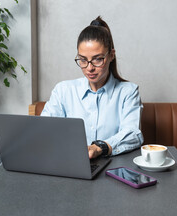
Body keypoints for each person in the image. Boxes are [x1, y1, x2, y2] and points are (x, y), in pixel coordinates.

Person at [41, 16, 143, 159]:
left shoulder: (128, 92)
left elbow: (133, 133)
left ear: (111, 55)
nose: (90, 68)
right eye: (83, 60)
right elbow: (44, 128)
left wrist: (99, 147)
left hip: (111, 169)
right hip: (69, 164)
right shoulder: (63, 90)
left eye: (97, 59)